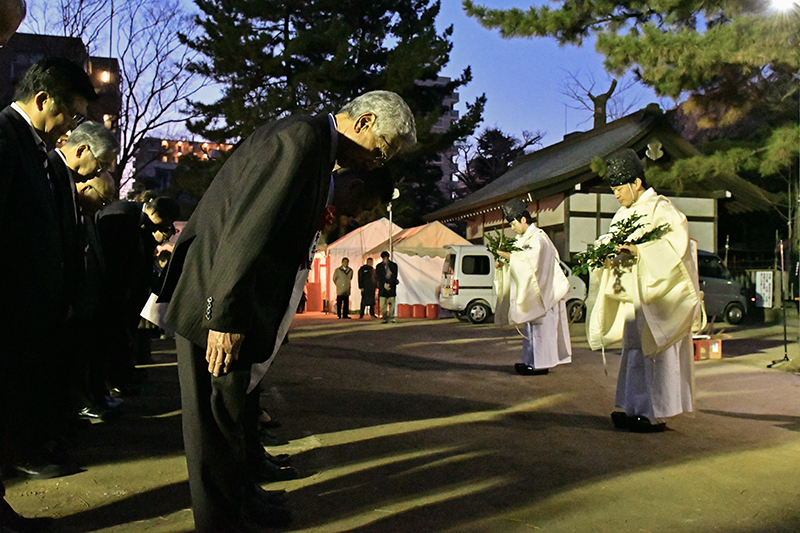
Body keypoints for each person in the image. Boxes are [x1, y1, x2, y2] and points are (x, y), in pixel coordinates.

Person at [156, 90, 416, 532]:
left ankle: (240, 506)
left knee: (231, 417)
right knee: (214, 426)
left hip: (228, 302)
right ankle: (221, 523)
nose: (378, 162)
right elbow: (246, 229)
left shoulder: (312, 144)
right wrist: (225, 317)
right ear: (365, 120)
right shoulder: (301, 140)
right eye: (383, 149)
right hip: (216, 306)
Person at [0, 57, 98, 491]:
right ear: (42, 99)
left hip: (33, 304)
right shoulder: (5, 135)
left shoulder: (33, 145)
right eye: (70, 114)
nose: (71, 126)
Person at [585, 149, 699, 433]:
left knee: (654, 354)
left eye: (620, 188)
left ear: (636, 183)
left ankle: (653, 415)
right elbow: (611, 242)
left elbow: (676, 248)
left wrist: (640, 249)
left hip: (656, 299)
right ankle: (633, 408)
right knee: (634, 352)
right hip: (634, 298)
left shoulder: (662, 210)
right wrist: (602, 253)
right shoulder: (624, 214)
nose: (616, 195)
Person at [48, 122, 120, 422]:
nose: (95, 172)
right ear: (82, 149)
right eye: (99, 165)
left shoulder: (81, 211)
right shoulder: (51, 175)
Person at [96, 196, 180, 395]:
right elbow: (114, 255)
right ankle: (114, 380)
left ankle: (122, 374)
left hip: (125, 289)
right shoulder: (122, 216)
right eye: (166, 222)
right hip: (111, 288)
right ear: (155, 213)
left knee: (123, 336)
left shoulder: (135, 219)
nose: (166, 228)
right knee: (114, 337)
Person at [494, 198, 572, 376]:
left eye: (513, 223)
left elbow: (531, 261)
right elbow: (519, 262)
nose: (512, 228)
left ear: (523, 219)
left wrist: (509, 257)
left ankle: (541, 365)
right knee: (531, 329)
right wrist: (504, 263)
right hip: (533, 293)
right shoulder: (522, 239)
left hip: (545, 294)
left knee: (541, 330)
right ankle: (530, 361)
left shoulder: (539, 238)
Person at [375, 250, 399, 323]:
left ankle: (391, 317)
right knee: (383, 304)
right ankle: (385, 317)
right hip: (382, 287)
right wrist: (384, 284)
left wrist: (390, 284)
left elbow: (394, 276)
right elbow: (378, 277)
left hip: (391, 287)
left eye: (387, 258)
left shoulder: (394, 265)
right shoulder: (378, 266)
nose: (386, 259)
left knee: (392, 303)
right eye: (384, 258)